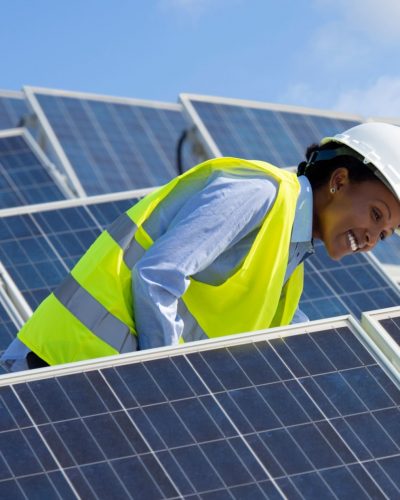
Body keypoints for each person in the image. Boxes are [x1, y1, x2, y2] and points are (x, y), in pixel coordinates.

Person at [2, 122, 400, 371]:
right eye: (377, 215)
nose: (371, 239)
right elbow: (158, 275)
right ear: (340, 181)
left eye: (384, 236)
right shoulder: (257, 192)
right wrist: (171, 381)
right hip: (57, 367)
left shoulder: (291, 264)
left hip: (99, 388)